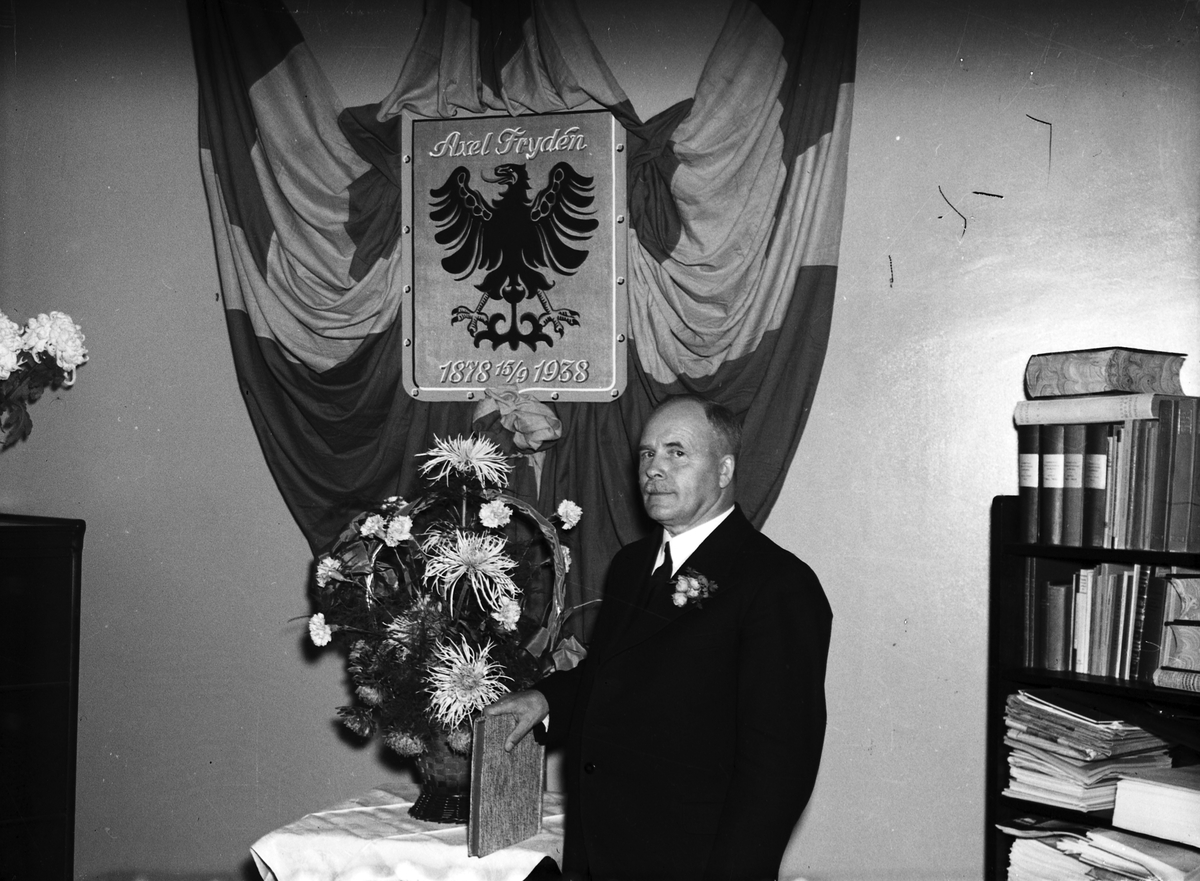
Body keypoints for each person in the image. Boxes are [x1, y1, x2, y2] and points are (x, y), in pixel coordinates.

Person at [486, 395, 832, 881]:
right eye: (647, 453)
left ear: (725, 470)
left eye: (677, 452)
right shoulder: (631, 565)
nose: (653, 468)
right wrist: (547, 699)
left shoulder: (776, 583)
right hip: (600, 851)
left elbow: (779, 771)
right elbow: (615, 674)